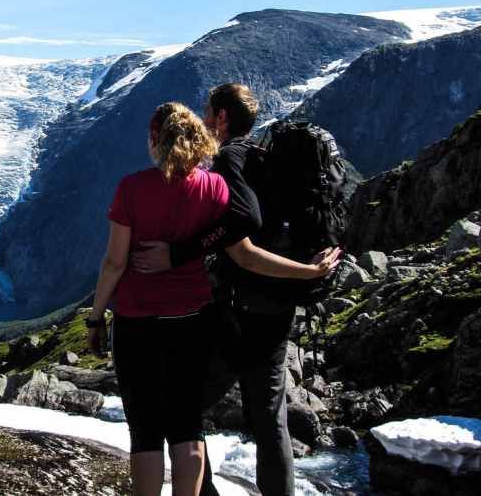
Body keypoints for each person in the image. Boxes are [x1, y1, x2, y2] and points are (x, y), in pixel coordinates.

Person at [86, 101, 338, 496]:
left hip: (138, 320)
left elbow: (114, 263)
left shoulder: (132, 188)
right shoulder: (214, 186)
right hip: (194, 318)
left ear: (155, 139)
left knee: (146, 430)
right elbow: (243, 251)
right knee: (188, 425)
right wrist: (308, 271)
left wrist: (96, 317)